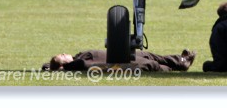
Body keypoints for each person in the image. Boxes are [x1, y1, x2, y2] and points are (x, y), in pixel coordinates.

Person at [43, 48, 195, 72]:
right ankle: (180, 65)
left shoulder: (78, 57)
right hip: (121, 63)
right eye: (62, 56)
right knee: (152, 64)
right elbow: (73, 66)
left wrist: (49, 66)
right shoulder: (77, 64)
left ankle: (181, 60)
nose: (64, 53)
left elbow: (48, 66)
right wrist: (58, 68)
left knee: (149, 55)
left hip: (120, 53)